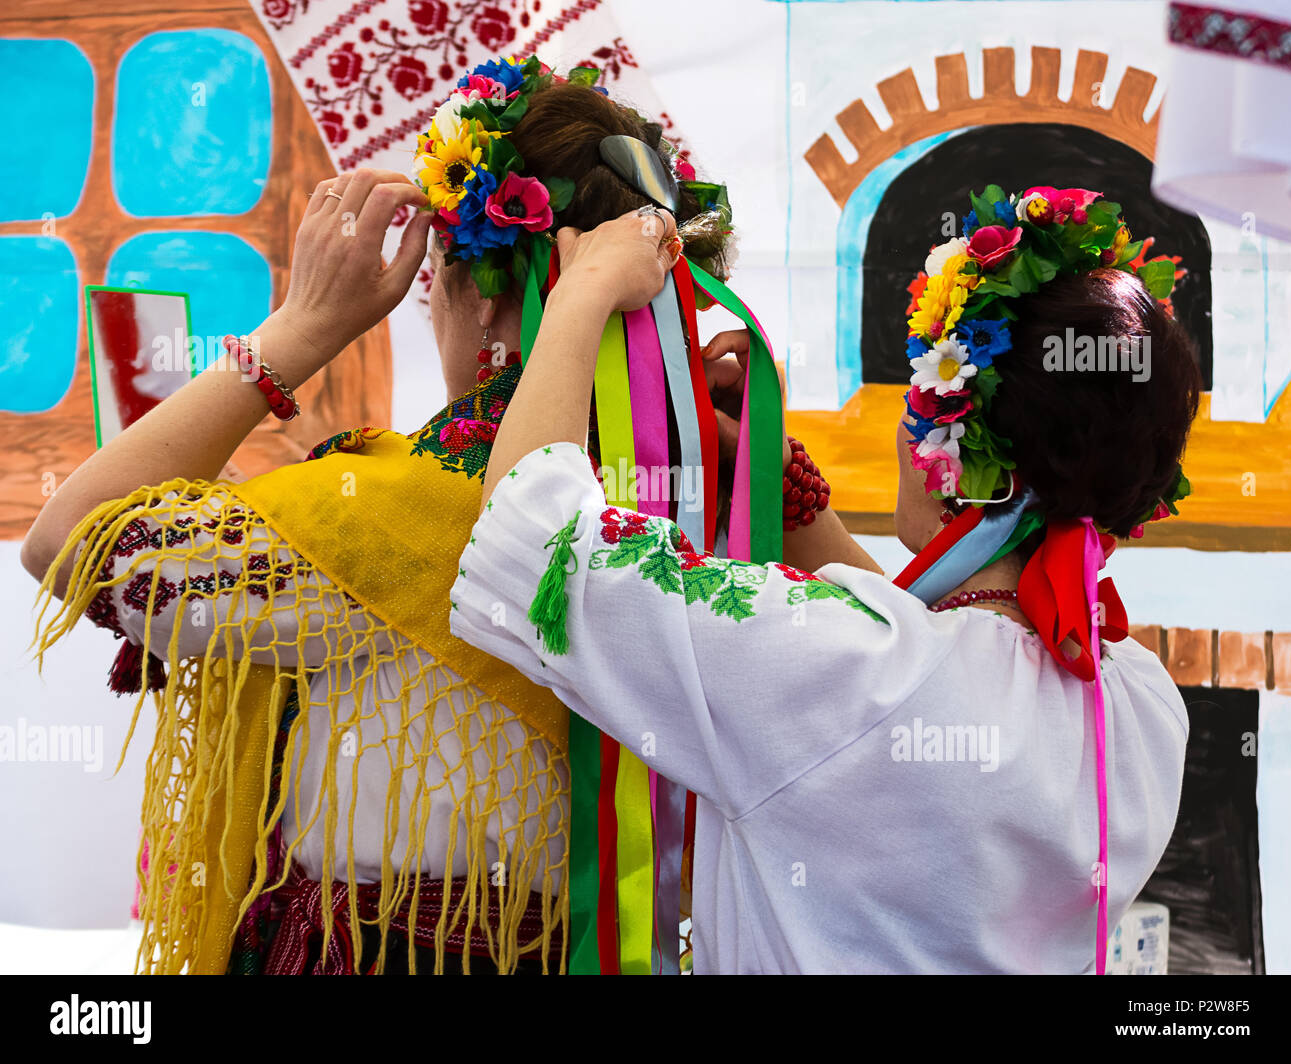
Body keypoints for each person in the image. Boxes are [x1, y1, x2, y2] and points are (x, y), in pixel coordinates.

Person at [24, 55, 730, 974]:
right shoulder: (717, 494)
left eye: (438, 274)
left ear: (475, 295)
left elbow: (69, 542)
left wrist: (302, 328)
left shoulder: (389, 517)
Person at [450, 184, 1199, 973]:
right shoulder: (1140, 707)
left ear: (967, 463)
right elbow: (921, 665)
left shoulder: (851, 673)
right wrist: (779, 482)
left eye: (921, 396)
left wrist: (587, 289)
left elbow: (535, 539)